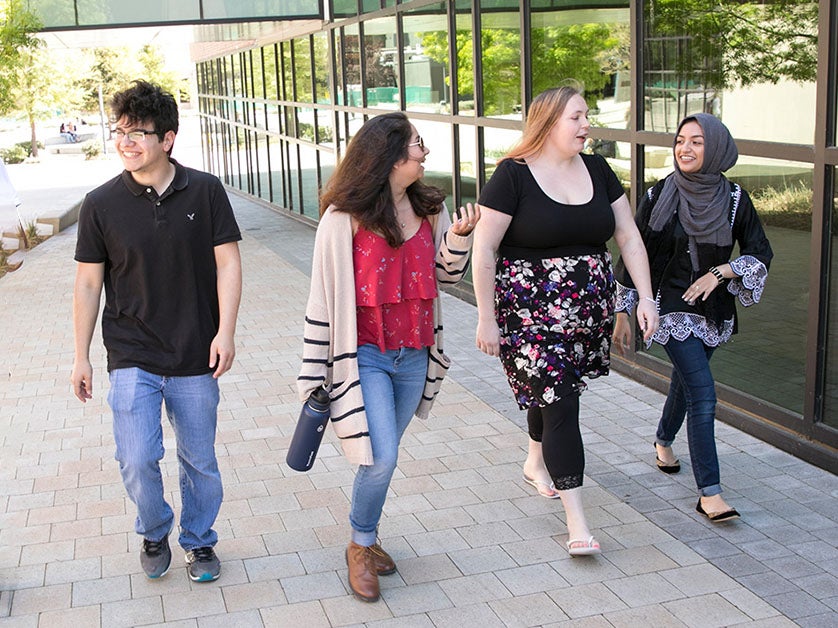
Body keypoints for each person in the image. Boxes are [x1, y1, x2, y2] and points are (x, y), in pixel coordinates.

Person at [297, 112, 478, 602]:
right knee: (381, 457)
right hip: (366, 355)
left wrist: (458, 239)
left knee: (381, 457)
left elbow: (444, 279)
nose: (424, 152)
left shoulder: (429, 209)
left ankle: (367, 535)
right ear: (392, 154)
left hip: (414, 354)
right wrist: (314, 369)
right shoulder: (343, 219)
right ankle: (359, 546)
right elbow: (321, 298)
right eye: (418, 144)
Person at [473, 85, 658, 556]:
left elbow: (629, 237)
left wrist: (644, 299)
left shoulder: (598, 169)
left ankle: (535, 460)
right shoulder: (512, 176)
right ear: (549, 121)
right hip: (527, 313)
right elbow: (485, 249)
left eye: (586, 116)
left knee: (555, 393)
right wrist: (486, 319)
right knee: (561, 404)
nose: (586, 125)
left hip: (586, 312)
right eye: (576, 117)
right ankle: (578, 523)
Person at [71, 80, 242, 582]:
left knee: (200, 462)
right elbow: (87, 284)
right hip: (131, 352)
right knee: (137, 457)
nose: (125, 141)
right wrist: (80, 355)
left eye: (137, 131)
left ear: (167, 138)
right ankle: (153, 528)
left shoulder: (206, 190)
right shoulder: (99, 204)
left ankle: (199, 541)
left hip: (195, 352)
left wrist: (225, 331)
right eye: (119, 130)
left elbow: (228, 264)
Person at [613, 113, 772, 522]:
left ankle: (663, 439)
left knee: (686, 384)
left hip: (712, 310)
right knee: (704, 393)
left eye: (697, 142)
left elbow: (759, 252)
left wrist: (720, 273)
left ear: (716, 147)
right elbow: (635, 253)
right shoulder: (658, 194)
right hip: (668, 306)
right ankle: (710, 493)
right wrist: (624, 311)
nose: (684, 148)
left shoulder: (735, 199)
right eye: (681, 140)